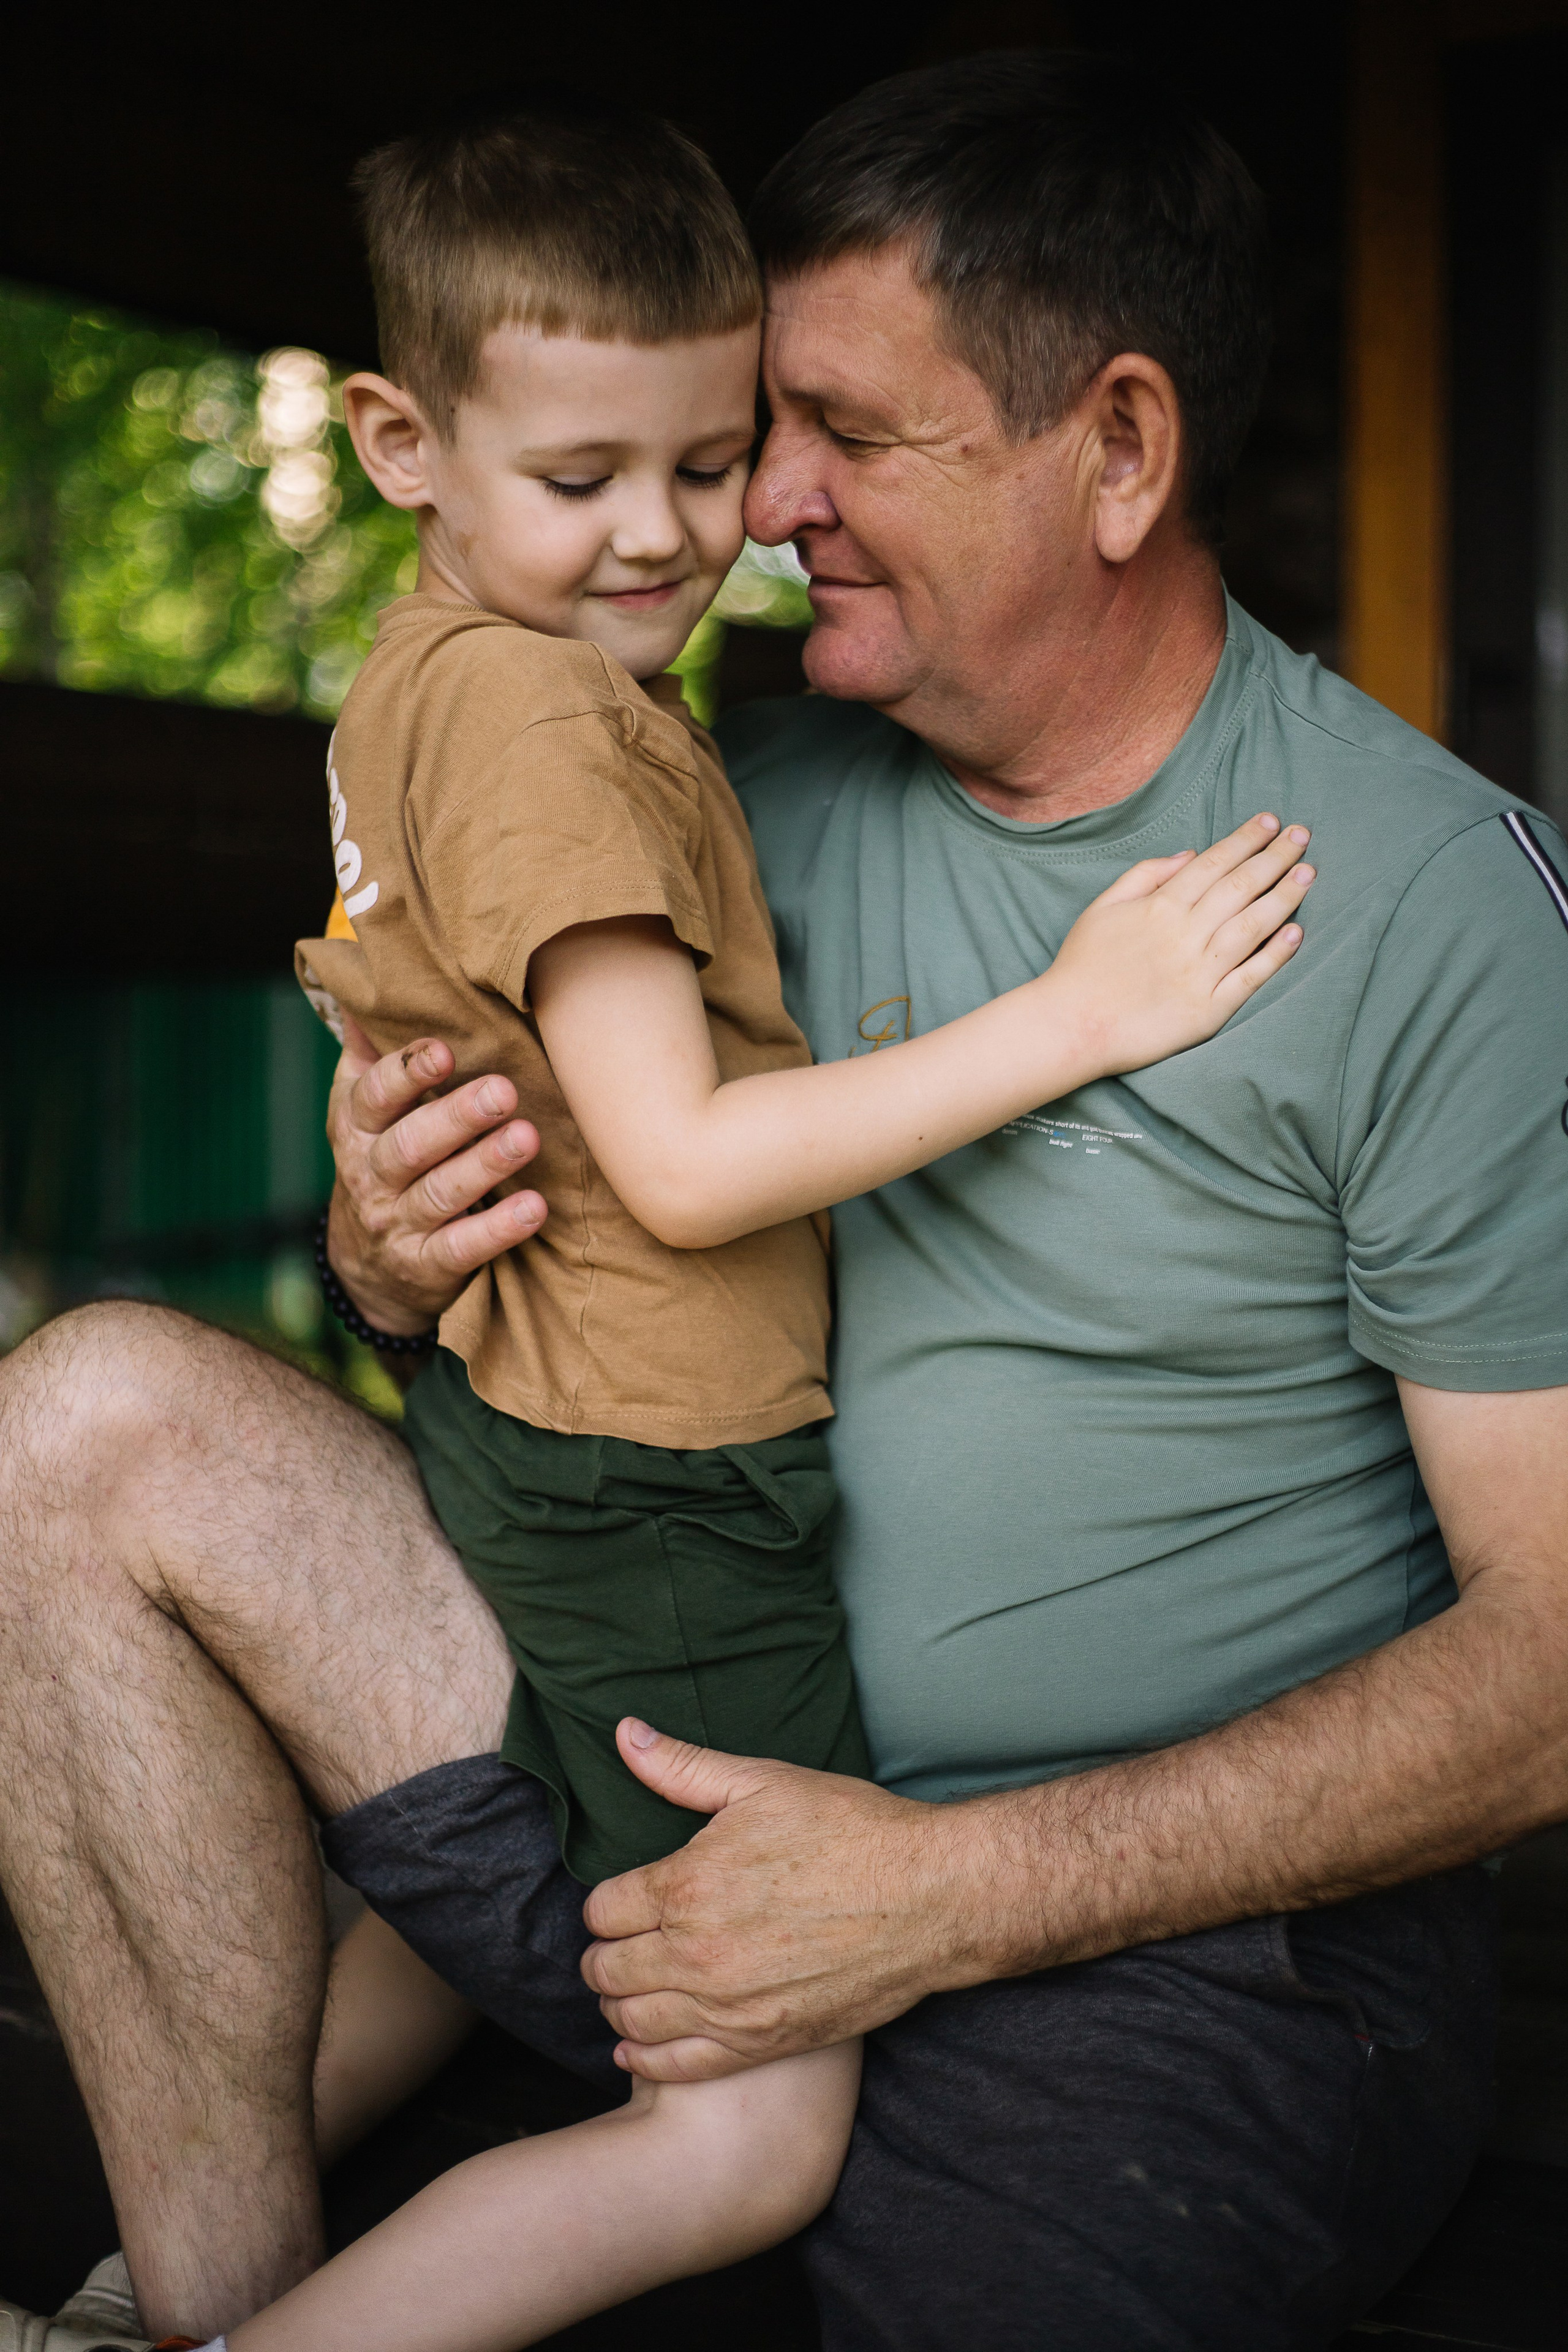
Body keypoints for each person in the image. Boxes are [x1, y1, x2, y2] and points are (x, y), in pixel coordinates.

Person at [1, 46, 1566, 2352]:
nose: (756, 511)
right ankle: (190, 2307)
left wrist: (943, 1894)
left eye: (844, 436)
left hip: (1162, 1961)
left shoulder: (1439, 906)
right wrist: (396, 1252)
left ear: (1118, 448)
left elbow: (1552, 1672)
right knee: (79, 1423)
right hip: (663, 1744)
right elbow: (587, 1235)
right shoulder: (732, 760)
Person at [241, 101, 1308, 2352]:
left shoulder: (472, 676)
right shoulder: (552, 725)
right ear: (403, 443)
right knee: (749, 2143)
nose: (680, 535)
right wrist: (1080, 1015)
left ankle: (143, 2262)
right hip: (664, 1496)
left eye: (717, 461)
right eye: (584, 479)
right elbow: (694, 1161)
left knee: (444, 1952)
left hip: (558, 1437)